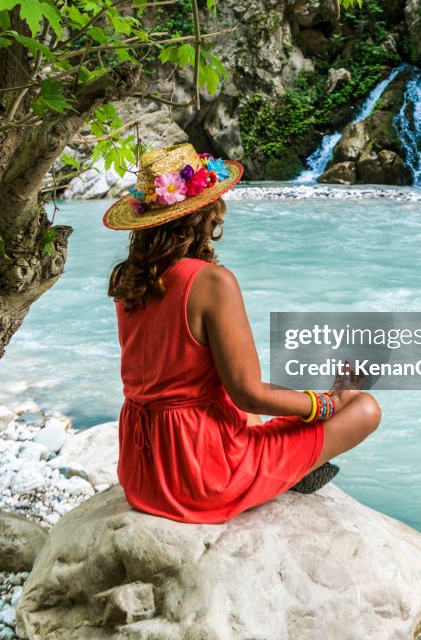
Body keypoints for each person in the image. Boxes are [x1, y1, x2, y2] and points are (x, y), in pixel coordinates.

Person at [103, 142, 381, 523]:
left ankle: (301, 450)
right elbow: (249, 393)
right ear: (206, 212)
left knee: (244, 408)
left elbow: (222, 389)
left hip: (142, 468)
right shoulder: (211, 282)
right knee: (365, 408)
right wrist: (327, 404)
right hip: (199, 476)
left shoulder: (129, 279)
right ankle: (295, 464)